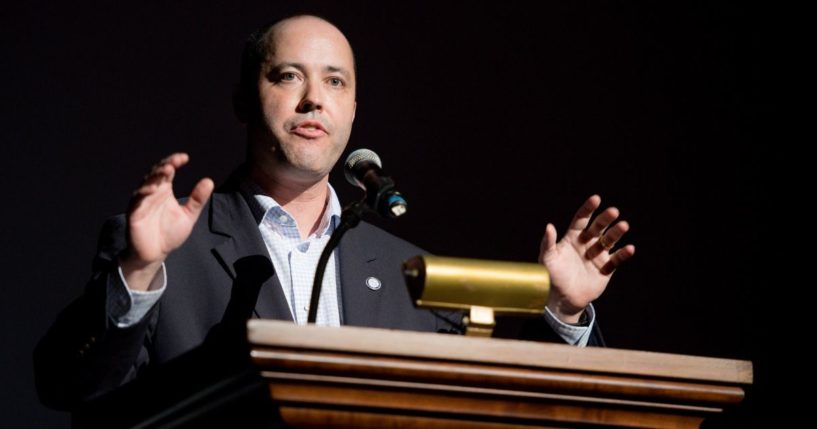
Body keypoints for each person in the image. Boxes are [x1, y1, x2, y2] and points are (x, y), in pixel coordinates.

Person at [34, 14, 635, 417]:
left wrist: (563, 311)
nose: (313, 98)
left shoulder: (411, 273)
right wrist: (138, 274)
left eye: (335, 81)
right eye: (288, 75)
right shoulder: (166, 252)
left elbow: (512, 407)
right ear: (245, 99)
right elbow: (70, 388)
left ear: (352, 110)